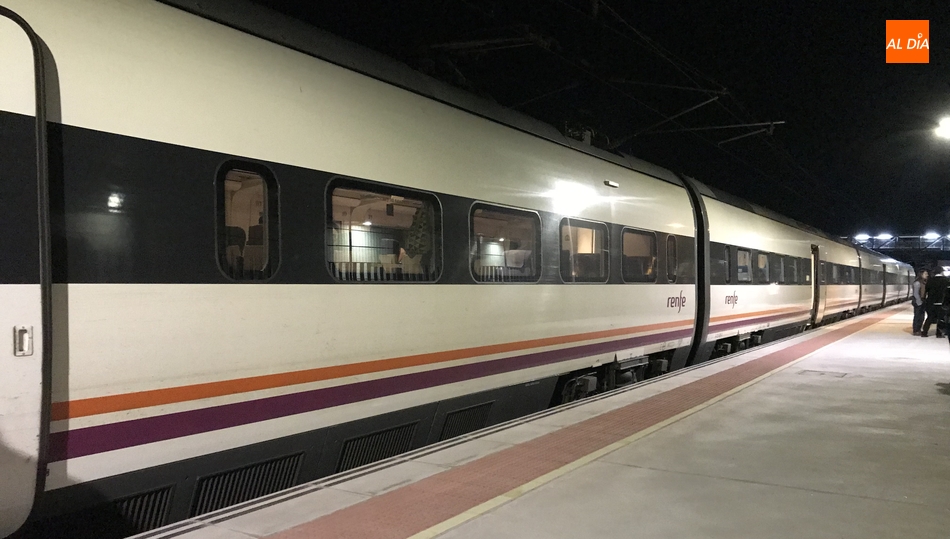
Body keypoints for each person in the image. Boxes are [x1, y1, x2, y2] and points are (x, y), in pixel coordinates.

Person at [923, 273, 950, 337]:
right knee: (940, 318)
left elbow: (926, 291)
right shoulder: (946, 280)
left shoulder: (930, 280)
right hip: (941, 302)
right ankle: (939, 333)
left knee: (929, 317)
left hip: (931, 302)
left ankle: (924, 332)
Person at [912, 269, 929, 335]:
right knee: (917, 316)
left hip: (922, 301)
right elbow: (916, 293)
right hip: (918, 302)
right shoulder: (917, 283)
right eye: (925, 274)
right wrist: (919, 302)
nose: (927, 275)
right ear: (921, 275)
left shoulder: (923, 282)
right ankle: (916, 330)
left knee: (922, 316)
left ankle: (918, 329)